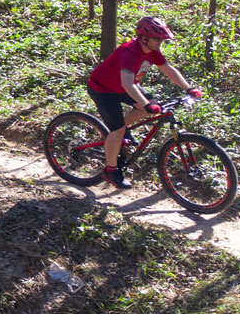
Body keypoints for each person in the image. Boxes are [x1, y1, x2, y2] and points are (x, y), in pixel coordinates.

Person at [86, 16, 202, 189]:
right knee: (118, 130)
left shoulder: (153, 51)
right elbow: (128, 84)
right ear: (144, 38)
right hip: (103, 89)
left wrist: (188, 88)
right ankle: (110, 171)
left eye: (162, 39)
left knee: (150, 105)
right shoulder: (129, 52)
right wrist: (145, 104)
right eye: (158, 39)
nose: (161, 42)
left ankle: (121, 130)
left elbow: (168, 70)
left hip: (123, 87)